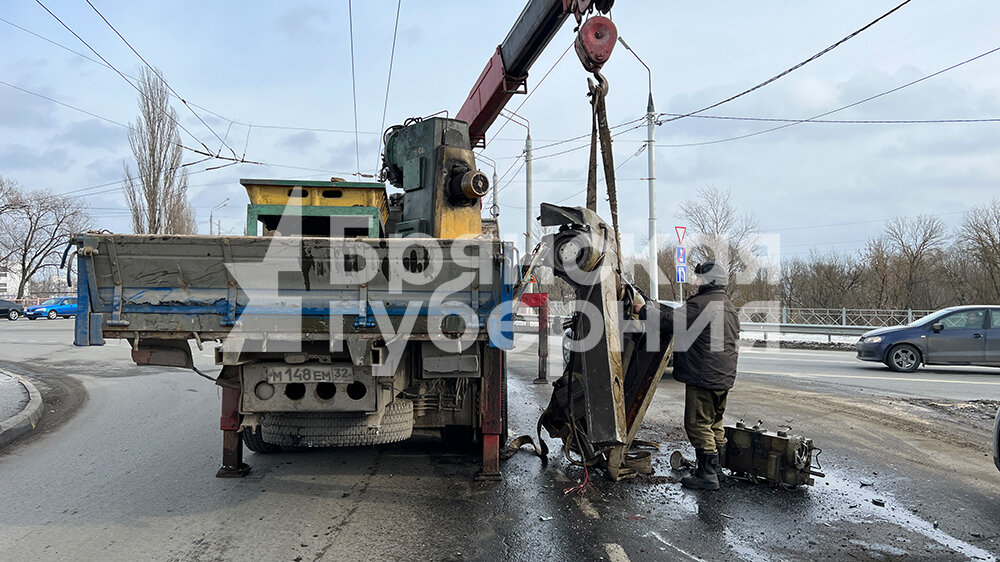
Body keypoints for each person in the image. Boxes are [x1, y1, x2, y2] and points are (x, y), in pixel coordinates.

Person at [637, 260, 740, 490]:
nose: (695, 282)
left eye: (699, 278)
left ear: (708, 281)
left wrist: (643, 311)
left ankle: (707, 475)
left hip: (704, 375)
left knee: (696, 424)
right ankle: (717, 470)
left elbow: (669, 322)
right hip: (723, 376)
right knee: (715, 423)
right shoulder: (726, 304)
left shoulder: (702, 304)